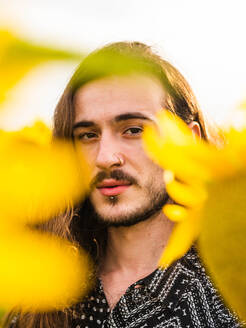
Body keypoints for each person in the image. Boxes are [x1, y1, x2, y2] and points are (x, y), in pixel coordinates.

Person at [6, 42, 242, 328]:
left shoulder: (232, 293)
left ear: (186, 140)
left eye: (133, 130)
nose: (106, 158)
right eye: (88, 135)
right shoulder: (40, 293)